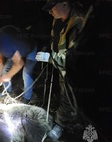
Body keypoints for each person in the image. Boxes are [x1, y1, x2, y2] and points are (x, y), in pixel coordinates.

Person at [36, 0, 87, 139]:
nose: (49, 12)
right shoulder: (57, 20)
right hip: (61, 68)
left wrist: (51, 58)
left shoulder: (80, 23)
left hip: (75, 72)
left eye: (52, 8)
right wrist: (51, 50)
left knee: (73, 96)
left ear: (64, 3)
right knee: (66, 94)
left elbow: (75, 60)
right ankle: (72, 118)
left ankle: (62, 125)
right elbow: (56, 40)